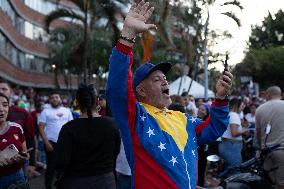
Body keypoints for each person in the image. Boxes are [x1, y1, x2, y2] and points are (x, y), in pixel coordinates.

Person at [106, 1, 233, 188]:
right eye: (157, 79)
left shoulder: (183, 119)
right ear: (141, 90)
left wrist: (221, 99)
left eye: (164, 78)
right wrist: (128, 35)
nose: (165, 81)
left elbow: (214, 127)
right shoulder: (137, 117)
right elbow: (117, 89)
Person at [54, 84, 121, 189]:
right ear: (97, 101)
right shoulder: (112, 124)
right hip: (106, 181)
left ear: (78, 103)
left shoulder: (68, 128)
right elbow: (116, 152)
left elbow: (60, 161)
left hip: (75, 182)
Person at [0, 80, 36, 179]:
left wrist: (31, 163)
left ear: (10, 91)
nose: (1, 91)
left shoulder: (23, 113)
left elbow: (30, 138)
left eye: (4, 89)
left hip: (18, 171)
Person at [38, 91, 73, 189]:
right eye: (52, 97)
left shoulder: (67, 111)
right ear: (49, 100)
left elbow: (71, 127)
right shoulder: (45, 111)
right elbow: (41, 128)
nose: (55, 99)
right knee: (51, 169)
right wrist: (46, 143)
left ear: (60, 99)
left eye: (56, 97)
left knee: (64, 168)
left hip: (64, 143)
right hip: (51, 142)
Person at [256, 86, 284, 189]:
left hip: (266, 152)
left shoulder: (260, 109)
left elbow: (258, 133)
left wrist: (261, 145)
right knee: (281, 183)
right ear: (280, 95)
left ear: (268, 94)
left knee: (269, 182)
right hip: (282, 151)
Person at [0, 93, 29, 189]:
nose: (1, 109)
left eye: (4, 105)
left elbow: (24, 152)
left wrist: (22, 156)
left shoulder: (16, 128)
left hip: (18, 176)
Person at [219, 98, 247, 171]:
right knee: (235, 171)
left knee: (228, 171)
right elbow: (234, 133)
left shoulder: (229, 114)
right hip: (231, 146)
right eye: (241, 106)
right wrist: (244, 130)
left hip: (227, 145)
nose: (242, 108)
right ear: (236, 106)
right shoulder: (234, 115)